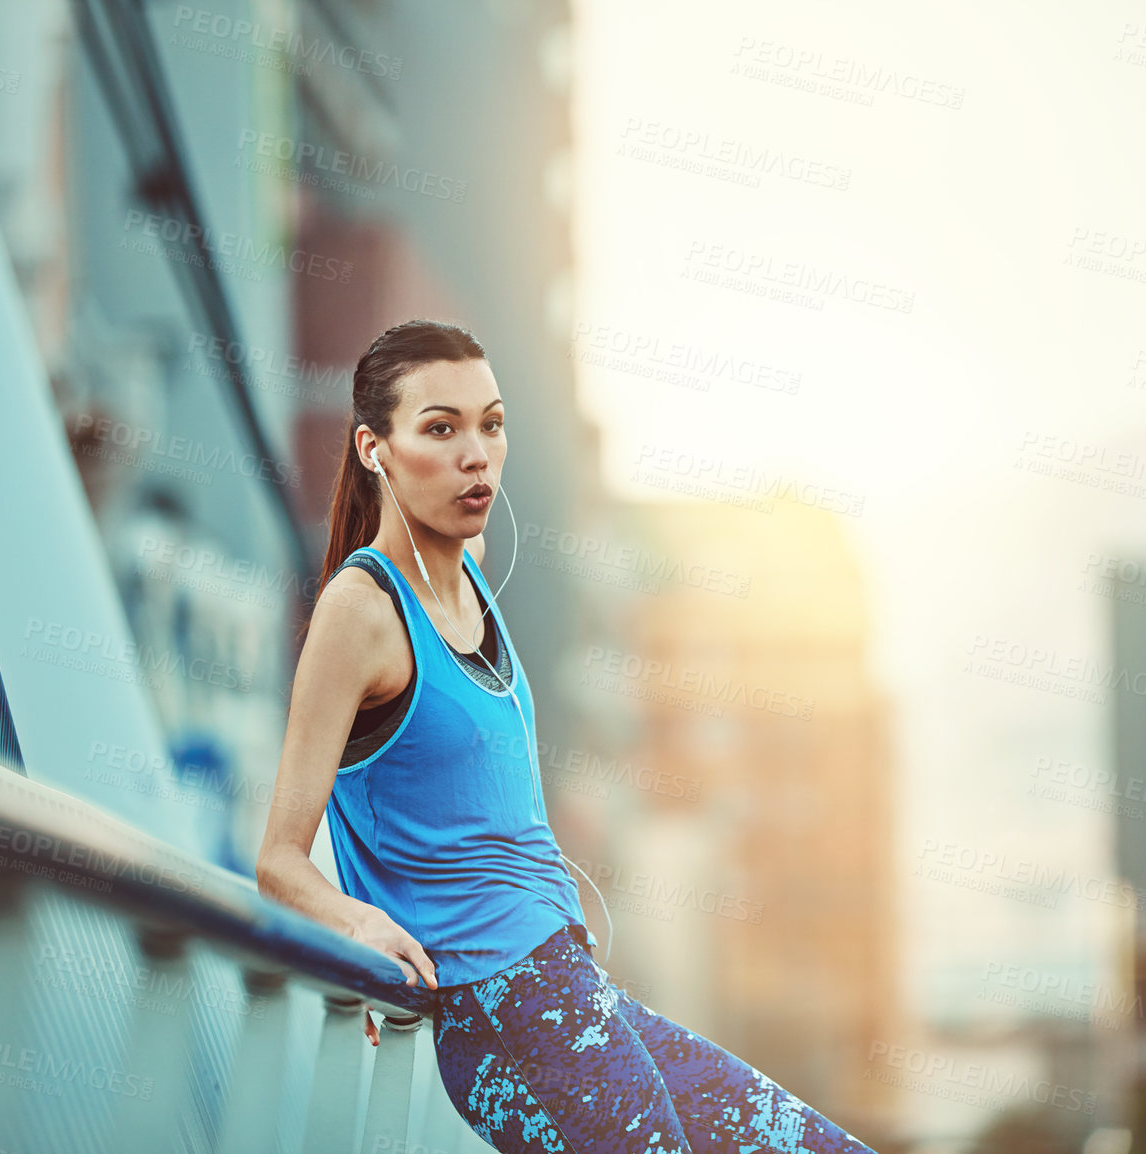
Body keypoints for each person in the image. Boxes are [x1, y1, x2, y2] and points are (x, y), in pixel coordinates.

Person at [257, 319, 876, 1154]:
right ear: (375, 449)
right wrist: (356, 925)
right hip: (499, 1008)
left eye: (492, 423)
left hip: (570, 986)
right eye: (440, 428)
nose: (477, 453)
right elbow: (277, 861)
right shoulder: (361, 611)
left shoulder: (472, 580)